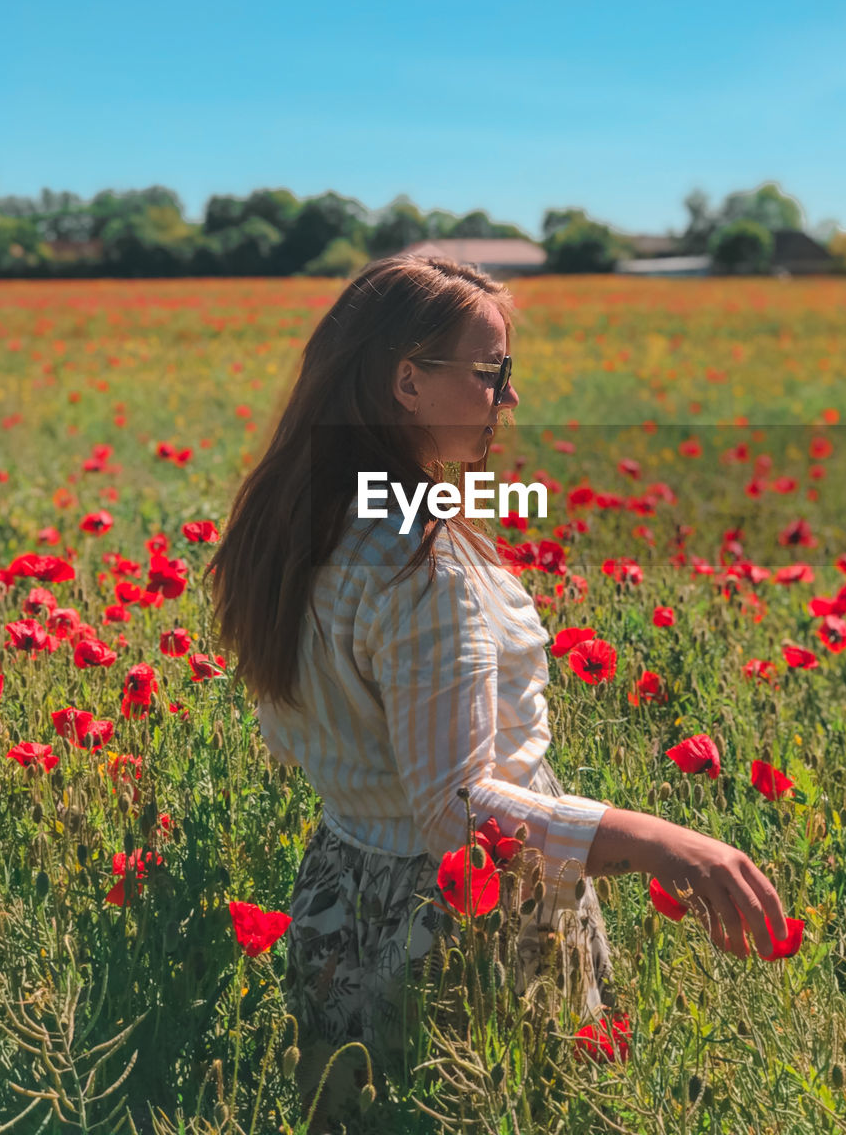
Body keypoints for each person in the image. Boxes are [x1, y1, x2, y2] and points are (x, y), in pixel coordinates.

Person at [205, 253, 788, 1120]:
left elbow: (315, 738)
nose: (508, 400)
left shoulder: (297, 526)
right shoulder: (420, 563)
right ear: (408, 380)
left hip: (341, 895)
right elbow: (456, 814)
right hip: (457, 919)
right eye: (492, 374)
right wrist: (666, 841)